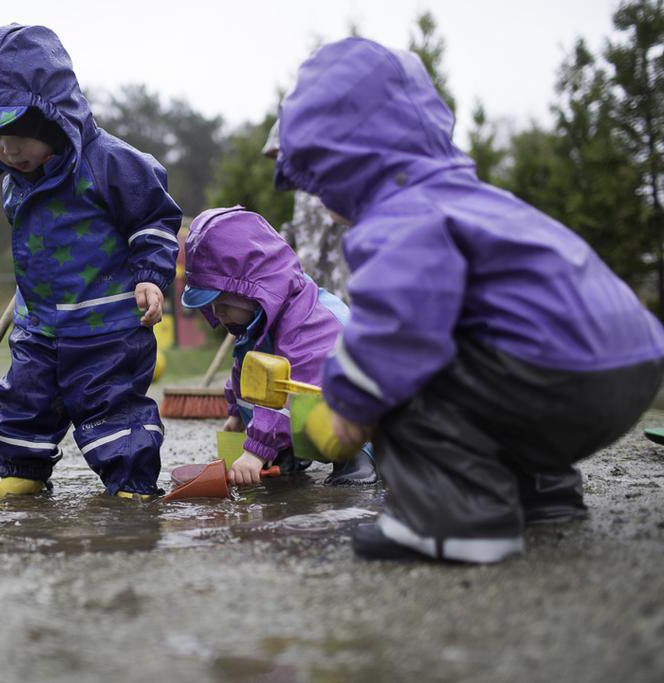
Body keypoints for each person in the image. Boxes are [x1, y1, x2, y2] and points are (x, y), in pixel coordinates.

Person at [273, 37, 664, 563]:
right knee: (475, 358)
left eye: (318, 181)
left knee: (400, 377)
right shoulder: (475, 198)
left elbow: (397, 328)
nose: (318, 198)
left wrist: (349, 403)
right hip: (630, 364)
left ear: (342, 166)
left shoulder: (401, 214)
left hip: (555, 373)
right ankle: (542, 495)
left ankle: (458, 522)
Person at [0, 24, 182, 501]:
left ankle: (131, 484)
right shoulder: (17, 176)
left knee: (110, 405)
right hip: (40, 325)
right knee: (23, 400)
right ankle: (23, 472)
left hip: (107, 326)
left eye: (17, 134)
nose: (6, 150)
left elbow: (155, 220)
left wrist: (151, 277)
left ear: (51, 119)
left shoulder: (111, 163)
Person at [181, 207, 376, 486]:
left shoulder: (308, 323)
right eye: (213, 306)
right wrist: (237, 413)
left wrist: (255, 450)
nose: (218, 313)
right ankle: (290, 451)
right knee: (261, 378)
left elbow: (290, 390)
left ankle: (356, 458)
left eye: (223, 304)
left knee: (318, 401)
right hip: (315, 403)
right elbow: (245, 370)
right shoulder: (258, 320)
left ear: (251, 290)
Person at [262, 122, 352, 303]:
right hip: (309, 279)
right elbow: (301, 225)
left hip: (339, 277)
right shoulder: (302, 191)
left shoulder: (334, 182)